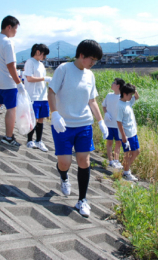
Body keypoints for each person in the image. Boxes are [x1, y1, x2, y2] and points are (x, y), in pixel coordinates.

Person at [48, 39, 108, 217]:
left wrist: (100, 121)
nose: (93, 64)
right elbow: (51, 91)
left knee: (84, 161)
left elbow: (92, 100)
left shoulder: (90, 75)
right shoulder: (64, 69)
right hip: (63, 125)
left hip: (84, 124)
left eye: (96, 61)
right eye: (92, 59)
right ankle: (63, 176)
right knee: (64, 163)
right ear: (81, 55)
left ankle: (82, 200)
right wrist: (55, 114)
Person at [0, 15, 24, 147]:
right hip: (8, 82)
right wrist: (18, 82)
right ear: (9, 27)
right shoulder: (7, 42)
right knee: (11, 109)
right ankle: (8, 137)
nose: (16, 32)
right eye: (15, 28)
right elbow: (11, 65)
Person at [24, 43, 52, 152]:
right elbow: (29, 78)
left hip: (42, 96)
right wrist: (44, 78)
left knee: (41, 119)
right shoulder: (30, 62)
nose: (44, 57)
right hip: (33, 96)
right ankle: (30, 140)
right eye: (44, 55)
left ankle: (39, 141)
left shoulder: (41, 64)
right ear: (38, 52)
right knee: (33, 119)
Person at [116, 83, 141, 181]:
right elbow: (119, 122)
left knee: (136, 152)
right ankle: (126, 172)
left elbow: (137, 97)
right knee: (128, 154)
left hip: (133, 133)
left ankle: (125, 169)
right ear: (125, 94)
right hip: (127, 135)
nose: (132, 96)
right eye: (130, 94)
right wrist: (123, 136)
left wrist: (133, 89)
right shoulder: (120, 105)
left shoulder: (128, 102)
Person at [102, 78, 126, 168]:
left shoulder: (123, 97)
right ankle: (111, 161)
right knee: (109, 142)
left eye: (114, 83)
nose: (112, 84)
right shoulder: (109, 95)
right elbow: (103, 106)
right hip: (108, 123)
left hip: (118, 125)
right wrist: (106, 113)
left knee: (118, 143)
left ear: (118, 86)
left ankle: (116, 160)